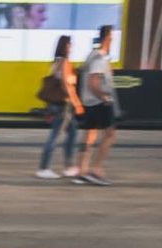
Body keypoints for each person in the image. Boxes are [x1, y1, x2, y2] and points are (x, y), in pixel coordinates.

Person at [75, 26, 118, 186]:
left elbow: (83, 72)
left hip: (88, 102)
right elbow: (93, 82)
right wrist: (104, 97)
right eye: (112, 37)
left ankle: (81, 171)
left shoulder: (91, 56)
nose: (112, 40)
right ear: (107, 38)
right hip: (98, 102)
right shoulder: (99, 58)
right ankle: (96, 170)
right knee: (109, 134)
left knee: (89, 135)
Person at [36, 35, 83, 179]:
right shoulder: (64, 63)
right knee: (55, 136)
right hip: (62, 105)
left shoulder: (56, 62)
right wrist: (77, 103)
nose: (71, 47)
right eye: (69, 45)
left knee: (72, 132)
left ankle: (68, 166)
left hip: (58, 105)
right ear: (65, 46)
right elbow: (66, 85)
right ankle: (44, 168)